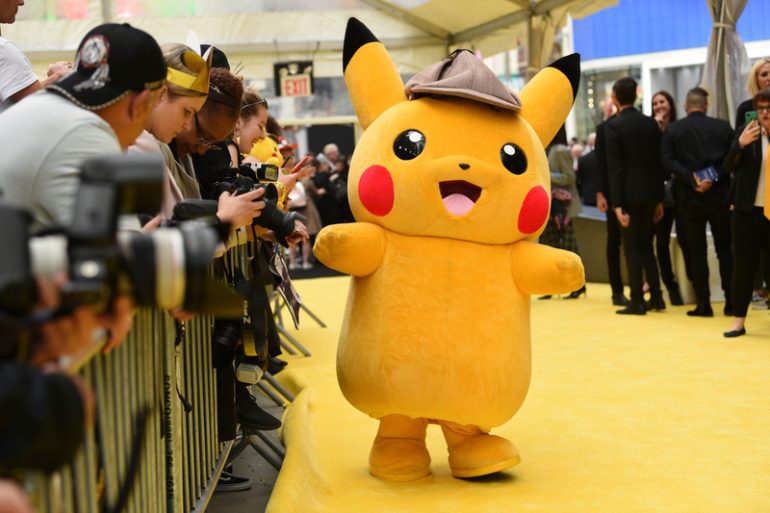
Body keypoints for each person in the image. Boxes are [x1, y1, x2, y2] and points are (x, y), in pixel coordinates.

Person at [0, 23, 166, 230]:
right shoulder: (86, 136)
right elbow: (119, 246)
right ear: (141, 104)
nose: (135, 141)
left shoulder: (39, 106)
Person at [661, 87, 734, 317]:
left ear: (686, 106)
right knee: (725, 250)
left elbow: (667, 160)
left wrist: (692, 179)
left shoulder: (674, 129)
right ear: (706, 105)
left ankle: (703, 304)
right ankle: (732, 302)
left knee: (697, 252)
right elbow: (732, 160)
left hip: (689, 199)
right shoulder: (723, 127)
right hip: (720, 197)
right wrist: (712, 178)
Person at [606, 76, 666, 315]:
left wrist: (617, 204)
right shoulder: (651, 124)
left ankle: (637, 301)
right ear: (636, 95)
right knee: (647, 245)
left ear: (615, 98)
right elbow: (658, 162)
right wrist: (660, 198)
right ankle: (657, 298)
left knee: (632, 247)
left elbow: (616, 168)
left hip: (628, 195)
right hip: (651, 192)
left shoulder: (613, 126)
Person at [723, 88, 770, 337]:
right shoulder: (747, 133)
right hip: (747, 211)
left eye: (769, 108)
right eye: (760, 108)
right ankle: (738, 322)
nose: (765, 113)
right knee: (743, 266)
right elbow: (728, 166)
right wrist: (740, 145)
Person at [538, 126, 585, 299]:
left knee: (567, 246)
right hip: (549, 205)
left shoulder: (559, 150)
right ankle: (551, 286)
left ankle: (578, 285)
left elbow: (570, 177)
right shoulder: (543, 148)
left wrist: (546, 175)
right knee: (548, 245)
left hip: (562, 206)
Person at [0, 0, 71, 113]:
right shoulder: (4, 50)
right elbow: (37, 105)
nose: (21, 2)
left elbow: (23, 92)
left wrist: (55, 77)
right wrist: (63, 76)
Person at [651, 90, 686, 306]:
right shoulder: (650, 130)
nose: (658, 106)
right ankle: (671, 287)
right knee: (661, 243)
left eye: (662, 102)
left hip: (681, 193)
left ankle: (692, 284)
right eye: (655, 103)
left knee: (685, 238)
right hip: (660, 196)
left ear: (670, 104)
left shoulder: (680, 128)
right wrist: (656, 130)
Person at [595, 114, 629, 306]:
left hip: (635, 192)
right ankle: (617, 291)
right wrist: (600, 193)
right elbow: (600, 162)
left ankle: (641, 287)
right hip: (611, 193)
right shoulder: (604, 128)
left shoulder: (641, 122)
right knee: (614, 242)